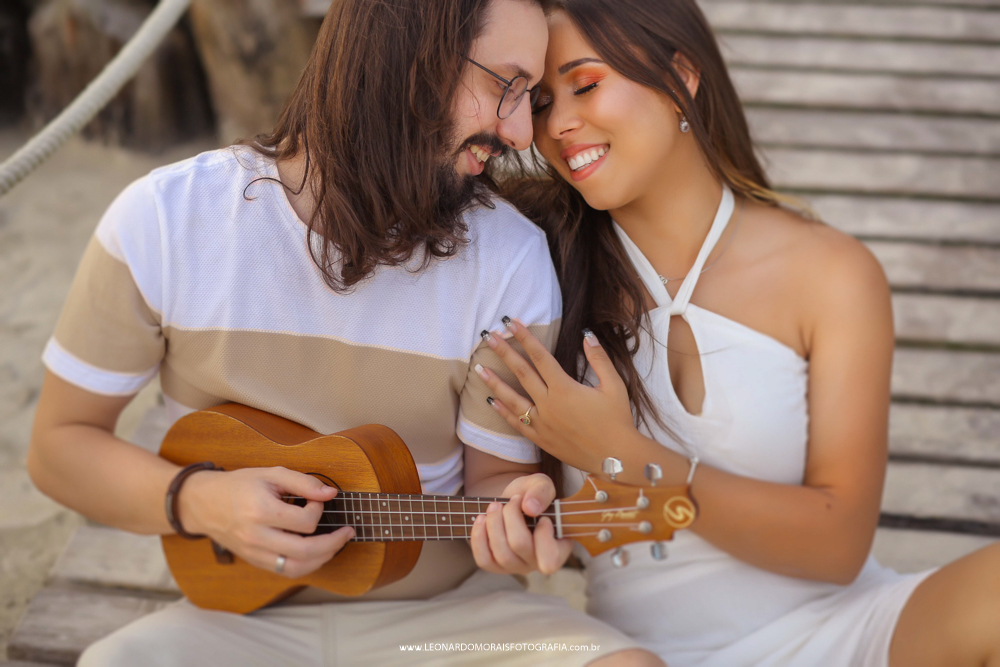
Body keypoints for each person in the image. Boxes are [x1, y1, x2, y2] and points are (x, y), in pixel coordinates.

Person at [26, 0, 664, 664]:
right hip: (235, 629)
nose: (521, 132)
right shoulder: (165, 221)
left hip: (449, 624)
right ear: (406, 58)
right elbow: (59, 449)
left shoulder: (509, 259)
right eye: (506, 85)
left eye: (527, 97)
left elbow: (493, 481)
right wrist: (201, 500)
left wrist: (516, 514)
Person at [474, 1, 1000, 665]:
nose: (558, 125)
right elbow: (493, 484)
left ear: (682, 77)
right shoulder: (533, 267)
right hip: (640, 653)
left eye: (587, 84)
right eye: (543, 103)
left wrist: (622, 453)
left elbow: (838, 546)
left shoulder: (831, 272)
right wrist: (511, 519)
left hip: (847, 633)